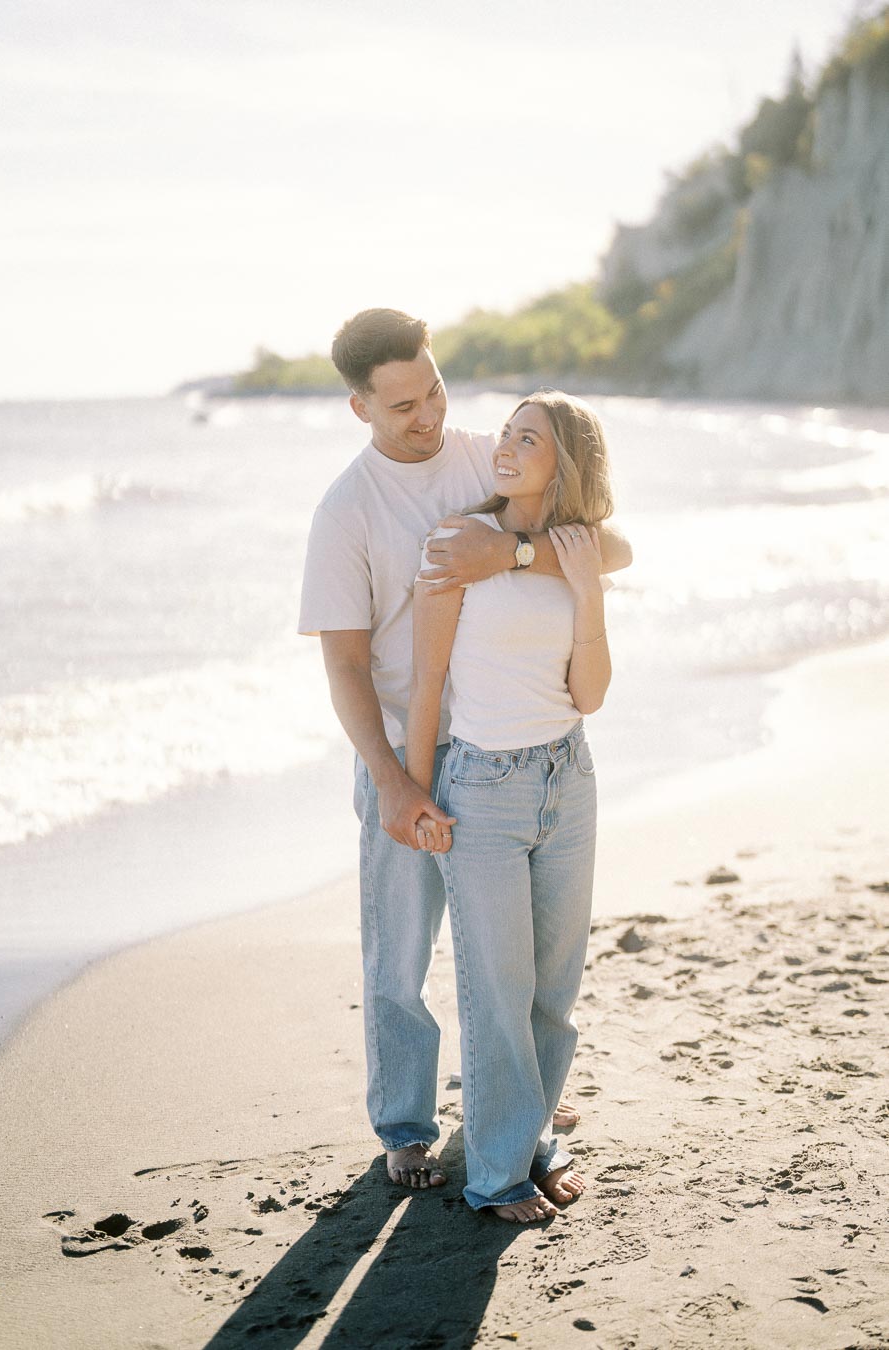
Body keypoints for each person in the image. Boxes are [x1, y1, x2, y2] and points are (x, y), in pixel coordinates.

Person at [297, 310, 631, 1190]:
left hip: (503, 744)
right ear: (360, 407)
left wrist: (512, 550)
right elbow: (344, 665)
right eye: (404, 404)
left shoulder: (491, 453)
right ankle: (406, 1126)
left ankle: (514, 1114)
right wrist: (396, 783)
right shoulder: (346, 512)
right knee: (400, 959)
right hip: (407, 755)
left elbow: (608, 545)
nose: (429, 416)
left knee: (514, 964)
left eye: (435, 388)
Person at [405, 389, 612, 1223]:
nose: (507, 445)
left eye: (530, 438)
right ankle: (495, 1175)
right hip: (484, 788)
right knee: (498, 989)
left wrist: (590, 594)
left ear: (564, 460)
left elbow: (589, 694)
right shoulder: (458, 542)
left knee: (553, 990)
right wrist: (414, 792)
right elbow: (426, 685)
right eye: (506, 432)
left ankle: (530, 1140)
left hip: (570, 775)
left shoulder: (579, 551)